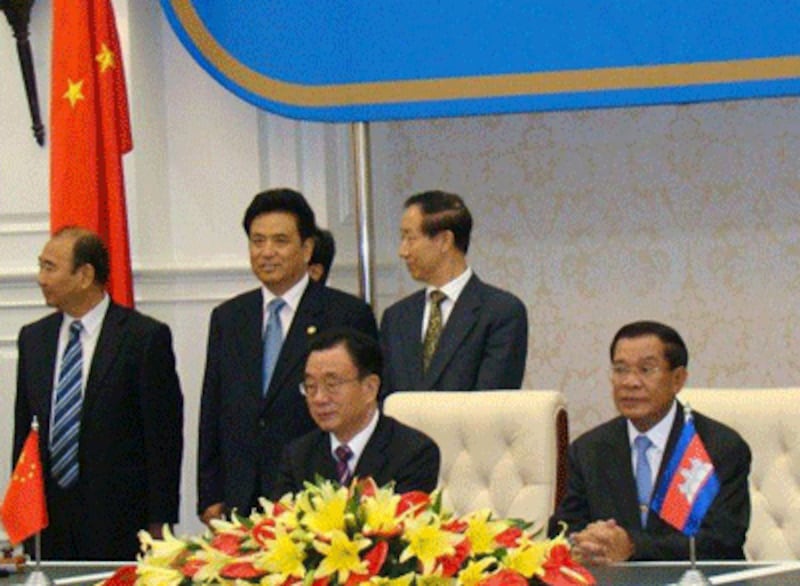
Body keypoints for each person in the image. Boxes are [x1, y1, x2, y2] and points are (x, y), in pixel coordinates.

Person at [198, 188, 378, 524]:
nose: (267, 252)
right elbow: (213, 407)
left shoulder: (346, 314)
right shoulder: (229, 317)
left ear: (307, 248)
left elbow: (365, 407)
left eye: (280, 241)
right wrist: (210, 493)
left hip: (318, 490)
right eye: (257, 241)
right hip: (241, 497)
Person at [13, 227, 183, 560]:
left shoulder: (143, 338)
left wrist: (160, 522)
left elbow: (163, 439)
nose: (40, 278)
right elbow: (24, 434)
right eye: (41, 266)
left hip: (119, 521)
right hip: (49, 524)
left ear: (84, 275)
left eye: (50, 267)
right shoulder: (34, 339)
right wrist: (20, 514)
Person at [549, 321, 751, 563]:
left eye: (646, 370)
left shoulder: (716, 447)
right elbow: (562, 529)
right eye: (620, 370)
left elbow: (722, 540)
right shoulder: (589, 449)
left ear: (677, 379)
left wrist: (633, 546)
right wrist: (585, 543)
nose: (630, 382)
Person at [380, 190, 528, 395]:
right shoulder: (396, 317)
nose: (402, 251)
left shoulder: (501, 312)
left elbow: (492, 401)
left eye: (410, 239)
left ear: (444, 241)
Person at [272, 327, 440, 498]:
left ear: (370, 388)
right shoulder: (298, 456)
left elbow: (404, 521)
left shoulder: (413, 453)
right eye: (310, 386)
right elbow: (282, 521)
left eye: (332, 385)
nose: (319, 398)